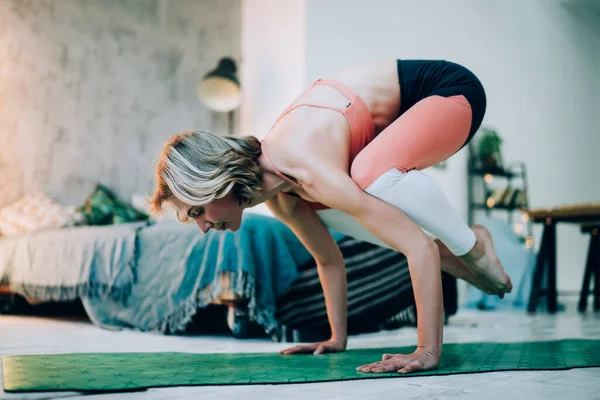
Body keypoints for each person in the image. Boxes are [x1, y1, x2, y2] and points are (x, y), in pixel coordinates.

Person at [150, 59, 513, 375]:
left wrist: (426, 351)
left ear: (215, 181)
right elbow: (328, 260)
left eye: (197, 211)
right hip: (406, 122)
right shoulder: (283, 198)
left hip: (450, 93)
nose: (203, 227)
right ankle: (473, 261)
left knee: (369, 176)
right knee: (391, 228)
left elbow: (417, 247)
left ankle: (475, 245)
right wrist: (336, 338)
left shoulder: (302, 164)